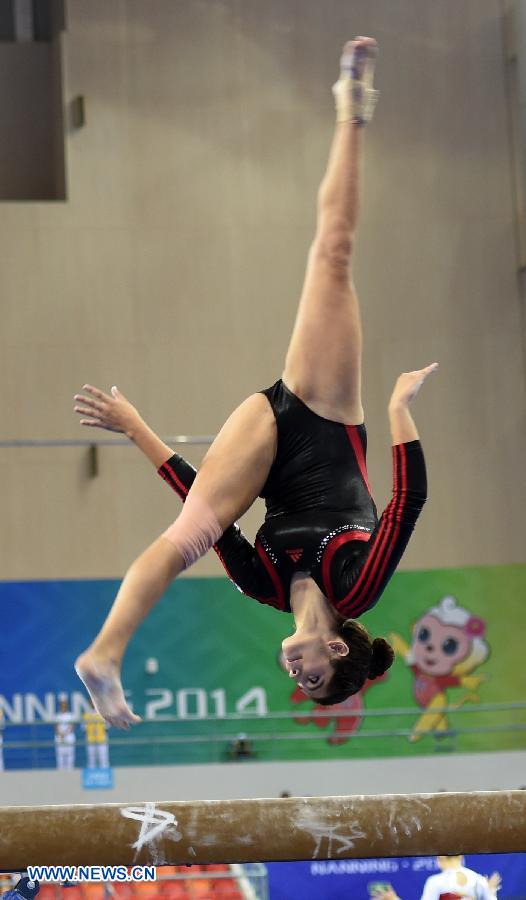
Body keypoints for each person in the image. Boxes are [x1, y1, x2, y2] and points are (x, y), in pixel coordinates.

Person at [74, 37, 437, 727]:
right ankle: (351, 108)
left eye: (301, 684)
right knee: (333, 253)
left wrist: (137, 430)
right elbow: (407, 503)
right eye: (319, 677)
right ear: (337, 646)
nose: (298, 675)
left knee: (189, 534)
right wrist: (396, 408)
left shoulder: (260, 583)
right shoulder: (355, 587)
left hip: (268, 443)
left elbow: (201, 493)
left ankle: (104, 654)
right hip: (327, 414)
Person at [371, 856, 501, 900]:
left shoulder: (436, 881)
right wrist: (490, 892)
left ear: (438, 860)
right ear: (461, 856)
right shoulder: (477, 879)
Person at [82, 700, 110, 768]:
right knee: (91, 760)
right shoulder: (86, 715)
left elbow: (107, 727)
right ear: (89, 703)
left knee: (103, 759)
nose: (93, 704)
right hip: (90, 740)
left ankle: (104, 776)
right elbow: (84, 729)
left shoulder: (104, 713)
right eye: (91, 702)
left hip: (101, 740)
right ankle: (91, 777)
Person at [54, 695, 76, 770]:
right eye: (62, 704)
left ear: (67, 705)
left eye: (64, 704)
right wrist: (61, 734)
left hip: (69, 737)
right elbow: (56, 726)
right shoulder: (57, 716)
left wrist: (65, 733)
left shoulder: (70, 715)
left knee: (70, 757)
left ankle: (70, 775)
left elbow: (72, 726)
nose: (63, 706)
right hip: (60, 738)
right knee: (60, 758)